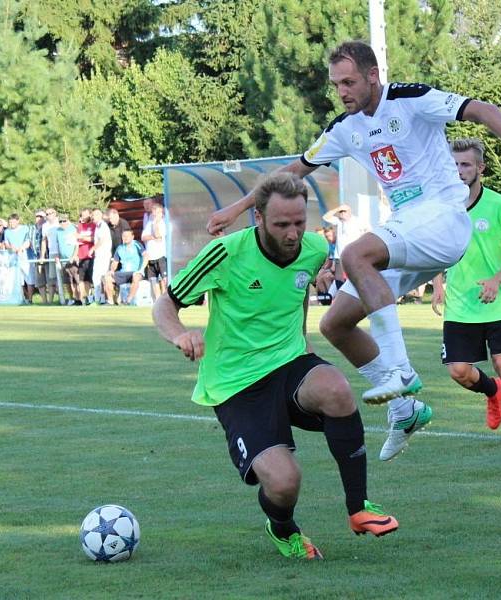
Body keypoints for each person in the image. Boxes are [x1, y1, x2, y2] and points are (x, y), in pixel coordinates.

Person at [207, 40, 501, 447]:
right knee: (335, 323)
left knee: (354, 253)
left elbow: (482, 110)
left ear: (373, 75)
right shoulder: (345, 129)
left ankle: (401, 371)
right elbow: (294, 171)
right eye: (336, 84)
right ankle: (405, 409)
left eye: (349, 82)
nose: (341, 92)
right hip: (407, 229)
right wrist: (234, 210)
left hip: (444, 219)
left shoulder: (411, 99)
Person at [153, 172, 397, 559]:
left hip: (288, 362)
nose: (292, 234)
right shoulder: (225, 254)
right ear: (259, 220)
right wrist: (180, 335)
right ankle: (283, 529)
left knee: (336, 387)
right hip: (235, 384)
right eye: (282, 224)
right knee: (284, 483)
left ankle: (360, 507)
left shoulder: (314, 248)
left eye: (299, 223)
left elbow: (297, 293)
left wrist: (302, 340)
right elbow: (165, 305)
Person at [429, 138, 501, 453]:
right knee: (457, 371)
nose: (459, 171)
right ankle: (491, 391)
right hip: (460, 304)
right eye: (455, 165)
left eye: (466, 165)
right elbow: (433, 249)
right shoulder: (442, 208)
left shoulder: (499, 205)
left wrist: (496, 280)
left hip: (497, 303)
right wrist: (436, 284)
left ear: (480, 168)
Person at [322, 203, 369, 283]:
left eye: (345, 211)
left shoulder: (357, 221)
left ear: (350, 212)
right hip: (339, 257)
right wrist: (337, 209)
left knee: (352, 281)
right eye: (341, 212)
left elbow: (368, 231)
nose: (342, 213)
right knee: (339, 282)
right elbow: (325, 217)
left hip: (352, 256)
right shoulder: (338, 221)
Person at [103, 229, 147, 305]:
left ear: (132, 237)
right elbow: (115, 262)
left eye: (127, 236)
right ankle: (110, 301)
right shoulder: (120, 248)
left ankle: (128, 301)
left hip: (136, 272)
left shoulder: (137, 244)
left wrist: (141, 270)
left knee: (136, 277)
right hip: (123, 273)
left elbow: (146, 257)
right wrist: (112, 270)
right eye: (124, 236)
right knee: (107, 277)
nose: (125, 238)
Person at [3, 214, 34, 303]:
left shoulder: (25, 229)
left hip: (25, 256)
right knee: (18, 279)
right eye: (10, 222)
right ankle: (22, 298)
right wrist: (11, 247)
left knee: (29, 278)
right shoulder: (7, 231)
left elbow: (28, 241)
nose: (11, 223)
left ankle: (30, 299)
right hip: (14, 257)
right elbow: (6, 243)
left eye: (13, 221)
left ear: (18, 221)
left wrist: (21, 248)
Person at [141, 203, 168, 300]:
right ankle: (158, 299)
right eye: (153, 212)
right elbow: (143, 237)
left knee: (164, 279)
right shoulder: (149, 223)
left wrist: (156, 224)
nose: (154, 215)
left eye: (157, 212)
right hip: (151, 255)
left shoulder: (163, 223)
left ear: (161, 213)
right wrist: (153, 237)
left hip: (160, 255)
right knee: (153, 279)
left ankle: (166, 298)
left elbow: (158, 235)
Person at [91, 208, 112, 304]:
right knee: (96, 277)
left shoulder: (103, 226)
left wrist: (92, 249)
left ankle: (100, 299)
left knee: (101, 277)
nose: (92, 217)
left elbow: (102, 240)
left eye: (94, 215)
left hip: (103, 255)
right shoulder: (97, 227)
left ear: (100, 215)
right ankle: (99, 298)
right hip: (99, 255)